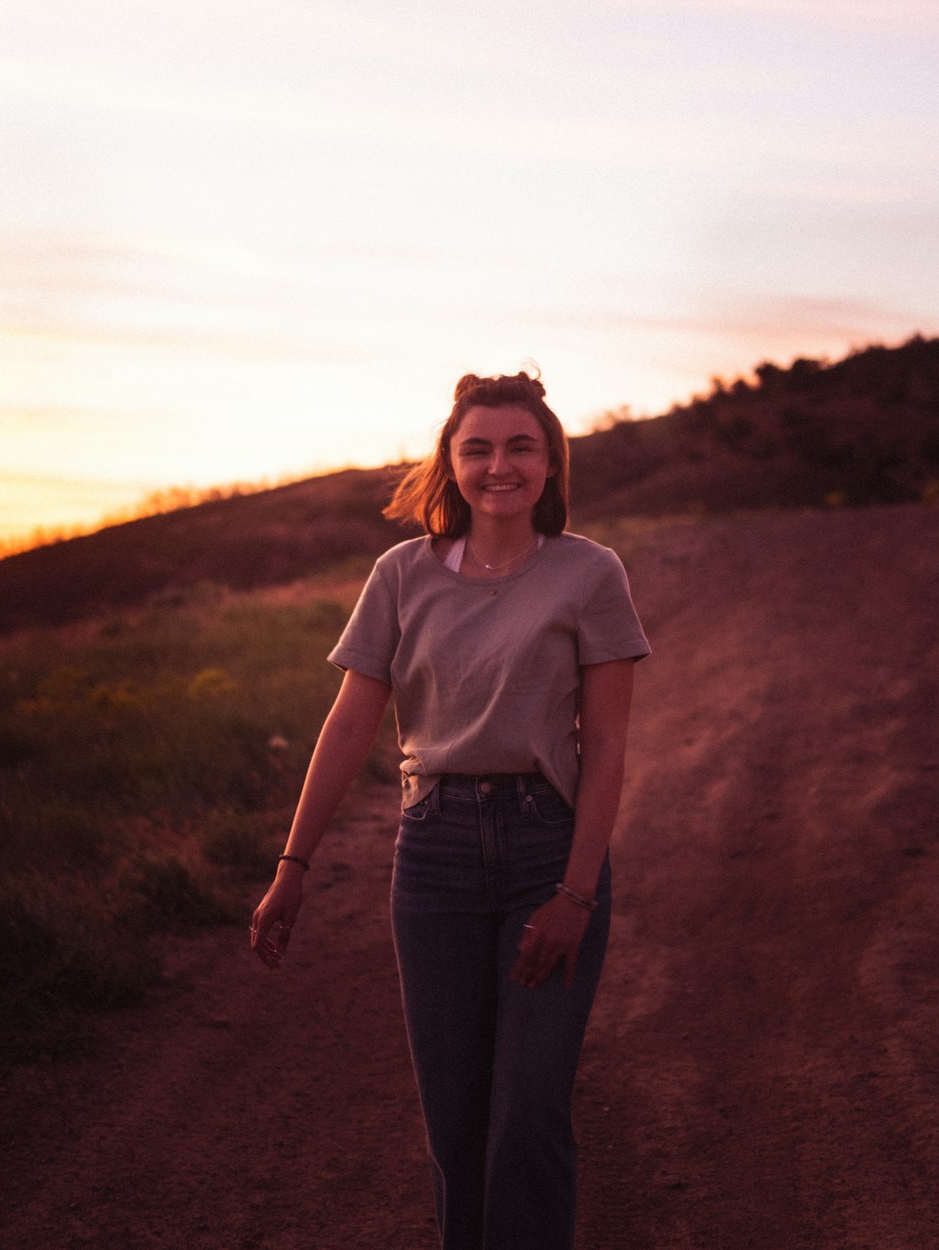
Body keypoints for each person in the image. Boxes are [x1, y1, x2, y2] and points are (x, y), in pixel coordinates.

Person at [250, 370, 650, 1250]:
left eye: (519, 447)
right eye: (478, 447)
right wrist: (293, 867)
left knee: (529, 1113)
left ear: (549, 465)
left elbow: (609, 746)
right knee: (456, 1120)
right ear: (451, 460)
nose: (498, 465)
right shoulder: (401, 574)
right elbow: (351, 721)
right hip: (434, 857)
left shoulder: (590, 573)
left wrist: (576, 894)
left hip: (549, 846)